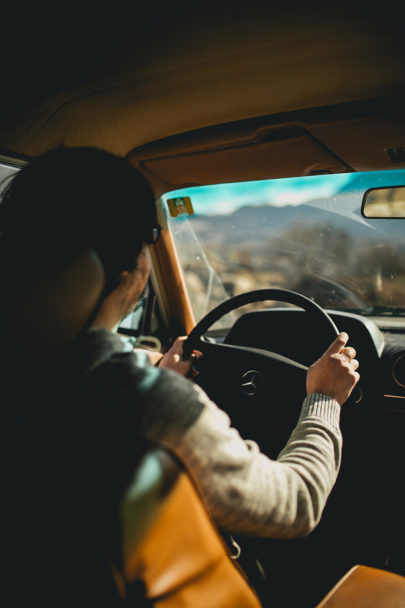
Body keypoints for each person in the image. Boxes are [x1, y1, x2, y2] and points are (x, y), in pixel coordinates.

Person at [1, 146, 359, 601]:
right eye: (151, 238)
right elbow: (297, 503)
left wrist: (163, 376)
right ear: (128, 261)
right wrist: (324, 401)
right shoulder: (147, 403)